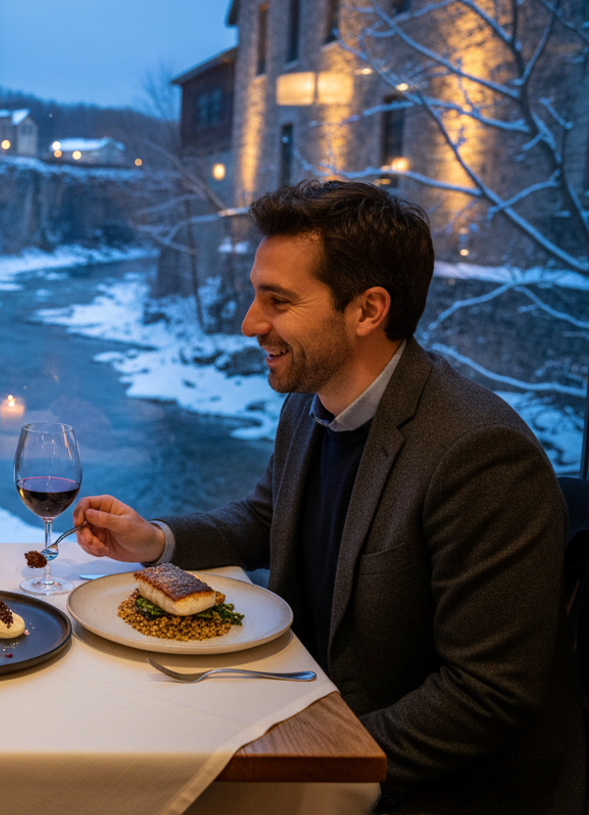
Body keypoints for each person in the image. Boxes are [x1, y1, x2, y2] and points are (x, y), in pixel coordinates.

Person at [73, 180, 584, 814]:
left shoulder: (478, 454)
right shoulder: (310, 404)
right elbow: (268, 517)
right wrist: (156, 540)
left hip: (425, 783)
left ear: (368, 310)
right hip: (304, 710)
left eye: (278, 300)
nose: (249, 323)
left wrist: (313, 757)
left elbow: (489, 693)